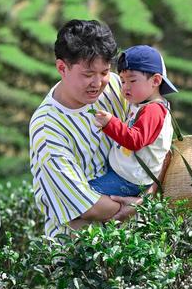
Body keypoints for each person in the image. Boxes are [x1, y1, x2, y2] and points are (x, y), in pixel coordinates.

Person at [29, 19, 164, 238]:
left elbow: (155, 139)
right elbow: (87, 206)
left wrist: (148, 194)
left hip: (132, 240)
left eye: (104, 72)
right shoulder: (47, 127)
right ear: (62, 68)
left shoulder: (115, 86)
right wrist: (133, 207)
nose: (98, 82)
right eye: (88, 74)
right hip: (78, 250)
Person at [89, 45, 178, 197]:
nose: (125, 87)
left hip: (130, 179)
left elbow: (134, 140)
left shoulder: (154, 110)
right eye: (122, 81)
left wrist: (110, 123)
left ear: (156, 80)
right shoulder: (141, 102)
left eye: (132, 80)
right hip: (125, 172)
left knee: (86, 194)